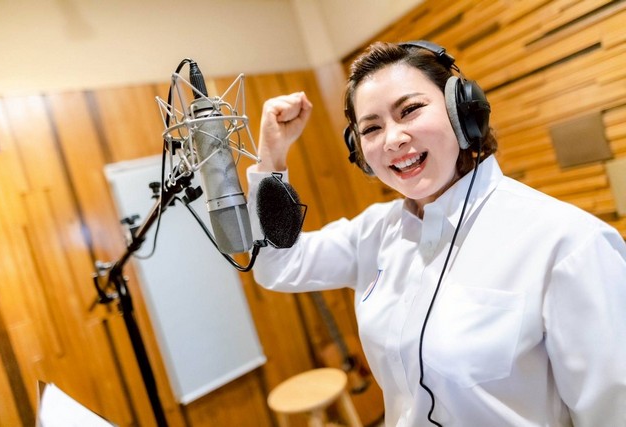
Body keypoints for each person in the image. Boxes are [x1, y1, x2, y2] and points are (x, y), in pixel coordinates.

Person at [246, 41, 626, 427]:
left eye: (410, 110)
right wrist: (271, 156)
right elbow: (276, 265)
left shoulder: (568, 242)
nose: (393, 139)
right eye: (372, 128)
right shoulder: (373, 232)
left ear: (462, 111)